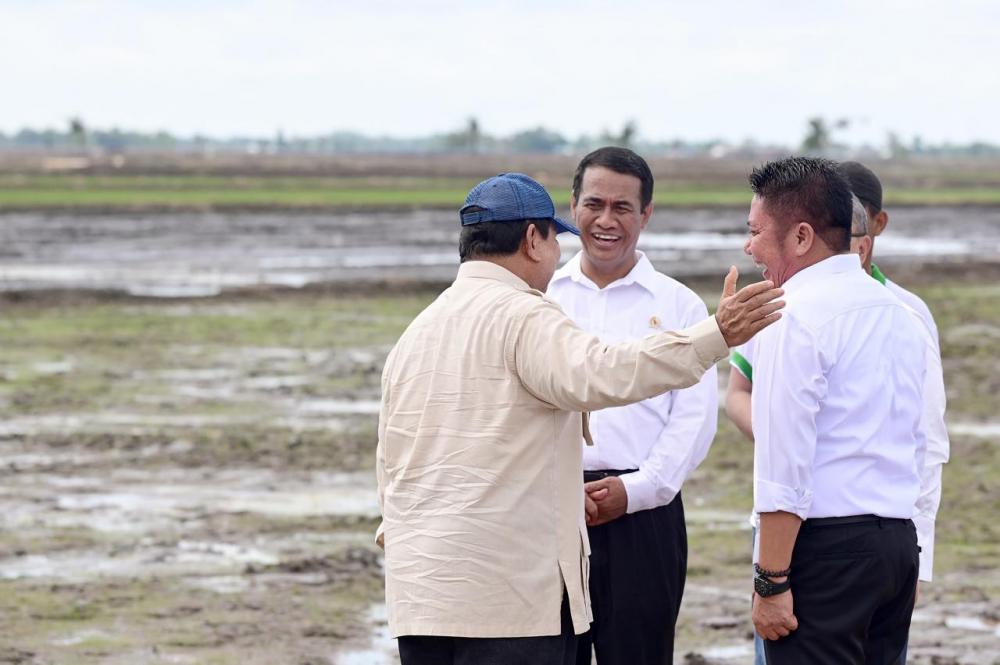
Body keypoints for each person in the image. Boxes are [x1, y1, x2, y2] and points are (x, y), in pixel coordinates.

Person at [376, 172, 784, 665]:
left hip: (422, 596)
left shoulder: (418, 330)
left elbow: (391, 464)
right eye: (554, 239)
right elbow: (605, 372)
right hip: (508, 601)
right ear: (533, 239)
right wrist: (716, 335)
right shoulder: (524, 315)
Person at [727, 190, 947, 664]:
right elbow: (920, 444)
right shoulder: (899, 312)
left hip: (827, 553)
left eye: (755, 231)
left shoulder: (792, 316)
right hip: (895, 546)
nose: (748, 248)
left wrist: (771, 582)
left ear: (802, 236)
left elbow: (785, 465)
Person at [547, 147, 717, 665]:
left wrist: (638, 490)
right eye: (593, 203)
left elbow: (694, 419)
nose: (605, 220)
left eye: (622, 208)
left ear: (646, 215)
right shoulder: (539, 296)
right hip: (548, 509)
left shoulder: (679, 304)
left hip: (645, 515)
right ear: (572, 205)